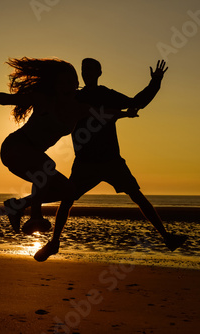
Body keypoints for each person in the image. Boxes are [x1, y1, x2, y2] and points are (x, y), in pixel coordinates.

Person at [33, 58, 188, 262]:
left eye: (90, 69)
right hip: (85, 161)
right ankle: (54, 243)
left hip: (110, 160)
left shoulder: (106, 94)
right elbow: (51, 103)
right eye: (84, 70)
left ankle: (167, 237)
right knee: (67, 200)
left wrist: (155, 82)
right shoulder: (74, 97)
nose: (86, 73)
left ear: (99, 72)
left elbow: (136, 102)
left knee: (137, 195)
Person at [0, 57, 129, 234]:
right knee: (46, 166)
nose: (66, 87)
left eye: (70, 82)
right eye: (61, 83)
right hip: (14, 148)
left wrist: (125, 114)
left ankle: (16, 205)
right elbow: (6, 99)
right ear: (55, 85)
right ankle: (35, 216)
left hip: (33, 157)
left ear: (76, 83)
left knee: (69, 191)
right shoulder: (44, 100)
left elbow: (103, 114)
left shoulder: (79, 109)